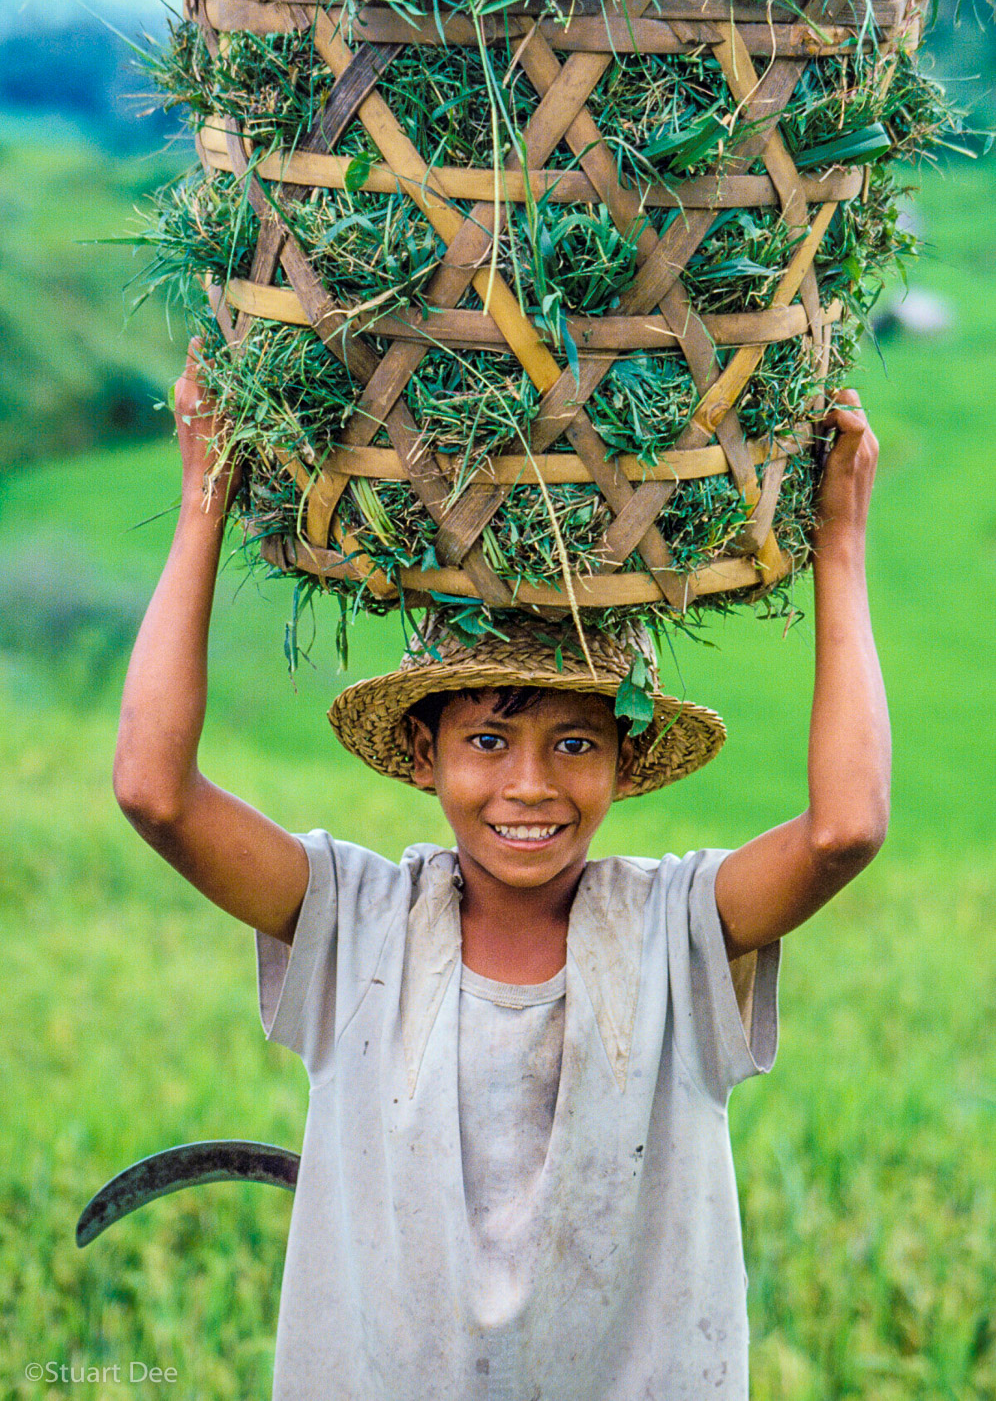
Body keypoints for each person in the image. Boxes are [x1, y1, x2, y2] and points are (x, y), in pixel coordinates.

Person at [113, 340, 890, 1400]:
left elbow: (844, 830)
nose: (529, 786)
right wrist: (203, 500)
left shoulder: (675, 932)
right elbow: (155, 793)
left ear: (623, 765)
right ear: (424, 756)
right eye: (487, 742)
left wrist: (839, 548)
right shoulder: (359, 922)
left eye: (575, 745)